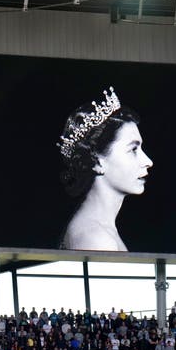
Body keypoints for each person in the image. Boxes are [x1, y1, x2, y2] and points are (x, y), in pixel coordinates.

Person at [58, 87, 152, 252]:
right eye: (133, 150)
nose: (148, 161)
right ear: (97, 162)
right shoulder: (95, 239)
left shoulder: (102, 228)